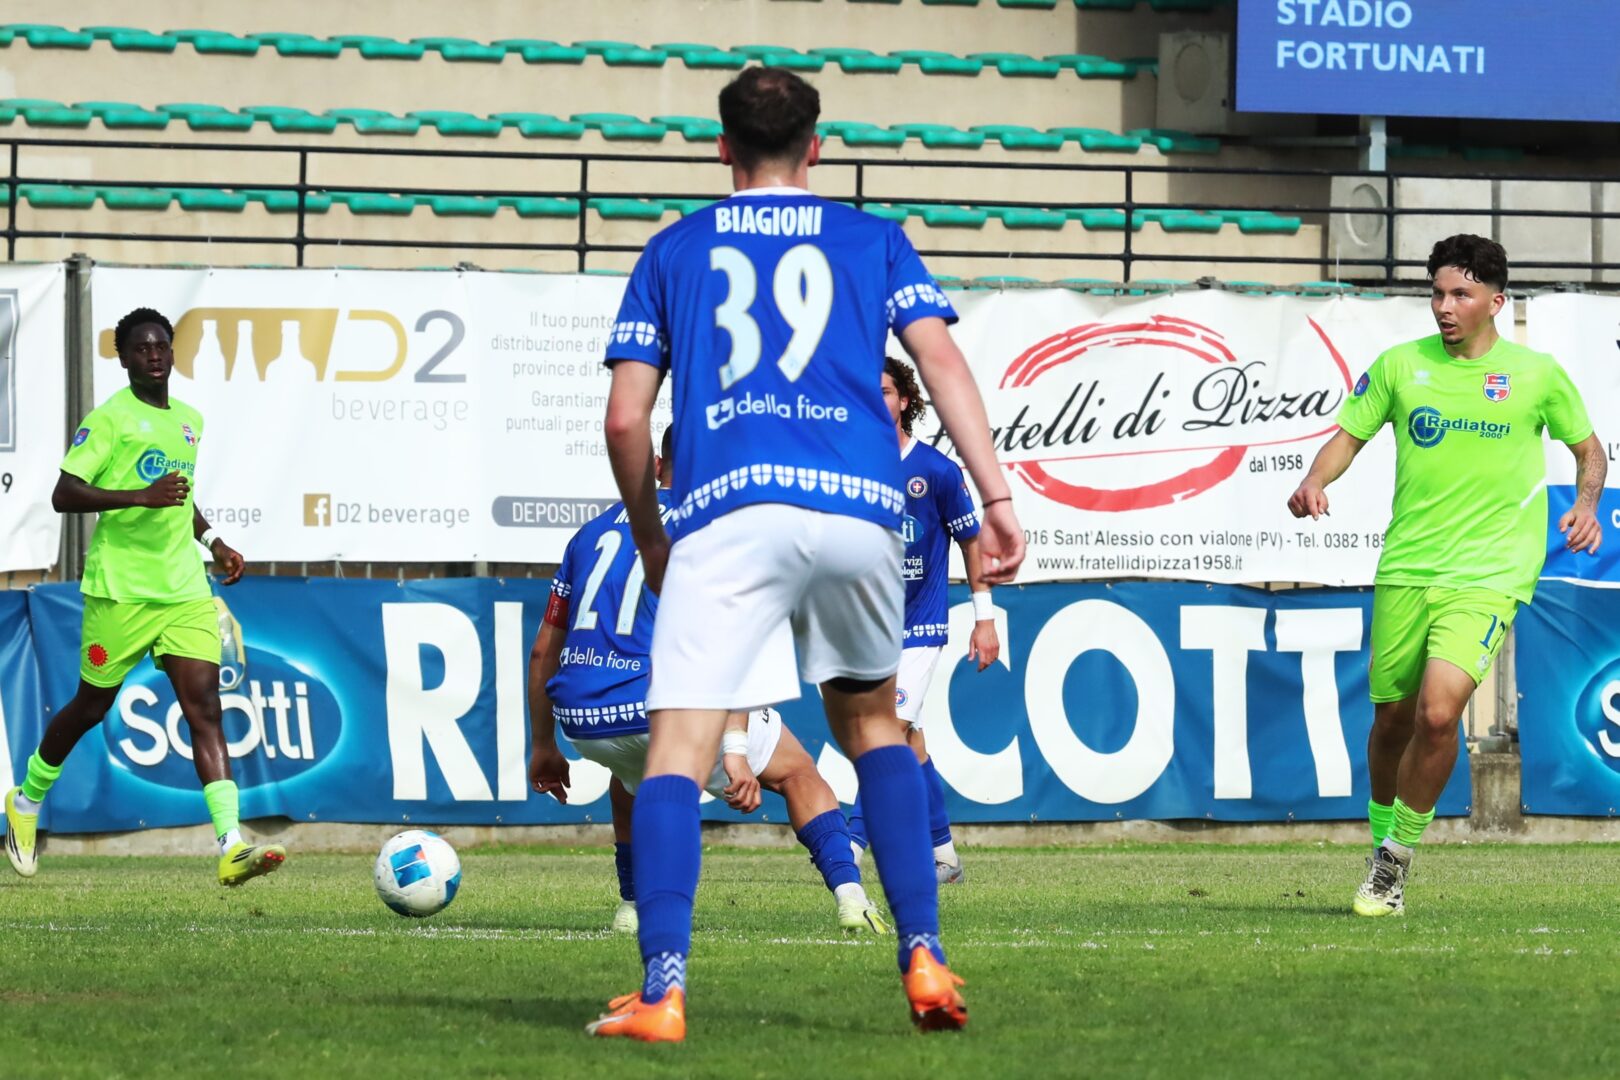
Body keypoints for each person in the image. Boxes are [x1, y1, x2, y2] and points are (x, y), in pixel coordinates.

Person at [591, 66, 1023, 1042]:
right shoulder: (873, 239)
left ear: (722, 148)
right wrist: (995, 495)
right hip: (862, 513)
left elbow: (625, 420)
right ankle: (924, 955)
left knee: (678, 747)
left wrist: (652, 534)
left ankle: (663, 989)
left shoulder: (674, 248)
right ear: (817, 148)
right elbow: (942, 360)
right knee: (874, 728)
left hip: (730, 513)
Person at [1288, 235, 1603, 916]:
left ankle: (1393, 864)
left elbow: (1590, 451)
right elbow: (1349, 436)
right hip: (1408, 565)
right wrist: (1315, 479)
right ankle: (1382, 842)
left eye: (1461, 293)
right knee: (1392, 722)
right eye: (1437, 293)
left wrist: (1585, 505)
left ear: (1496, 301)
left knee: (1438, 713)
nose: (1444, 306)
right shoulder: (1401, 366)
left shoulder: (1536, 374)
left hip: (1491, 572)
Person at [527, 427, 890, 937]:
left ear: (658, 466)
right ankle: (852, 897)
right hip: (658, 705)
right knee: (797, 773)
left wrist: (544, 745)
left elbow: (544, 649)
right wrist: (735, 747)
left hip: (584, 720)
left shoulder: (589, 534)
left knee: (630, 777)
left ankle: (632, 905)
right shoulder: (713, 527)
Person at [3, 308, 286, 886]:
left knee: (205, 709)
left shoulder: (189, 421)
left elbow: (181, 499)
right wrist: (139, 495)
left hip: (183, 589)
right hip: (121, 593)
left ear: (173, 353)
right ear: (124, 358)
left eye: (161, 346)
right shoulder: (109, 420)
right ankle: (26, 799)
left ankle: (231, 845)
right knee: (91, 707)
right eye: (141, 348)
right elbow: (64, 494)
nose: (153, 355)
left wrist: (214, 541)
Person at [846, 358, 1000, 884]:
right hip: (866, 629)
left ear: (905, 400)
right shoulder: (850, 465)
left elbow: (972, 541)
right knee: (909, 743)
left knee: (885, 738)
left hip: (920, 629)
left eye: (886, 391)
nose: (876, 400)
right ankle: (945, 856)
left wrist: (984, 619)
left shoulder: (935, 470)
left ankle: (849, 846)